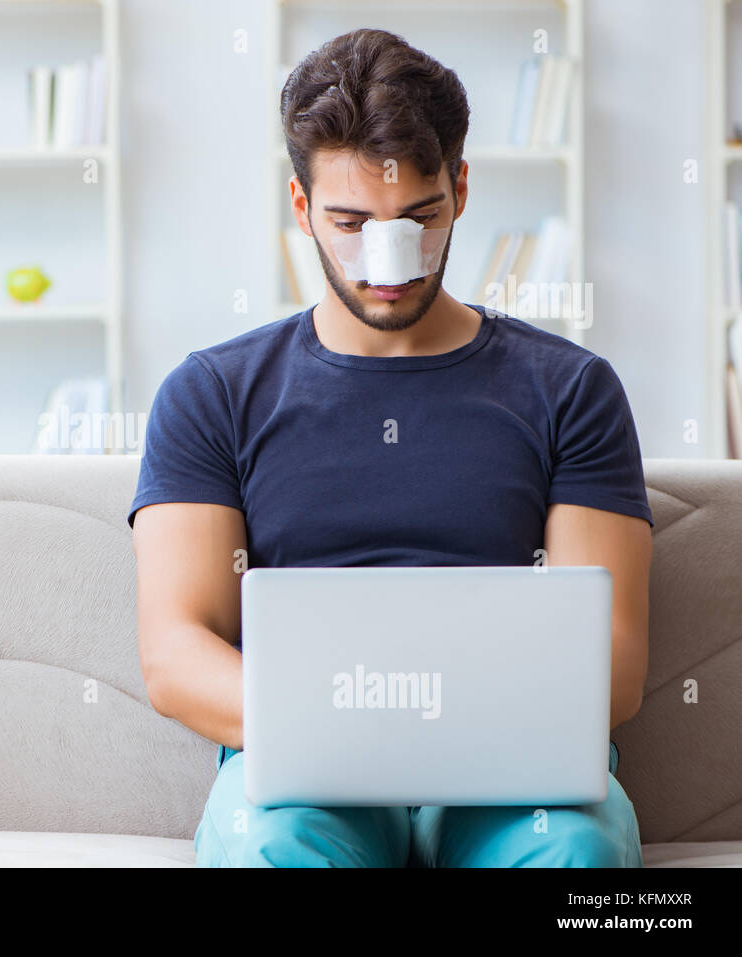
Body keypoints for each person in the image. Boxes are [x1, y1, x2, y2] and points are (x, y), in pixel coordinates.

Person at [128, 28, 652, 867]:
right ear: (300, 210)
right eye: (350, 222)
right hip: (302, 768)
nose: (389, 264)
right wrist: (355, 725)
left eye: (418, 218)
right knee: (274, 846)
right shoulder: (214, 394)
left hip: (512, 769)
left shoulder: (570, 390)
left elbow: (614, 668)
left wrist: (439, 727)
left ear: (462, 189)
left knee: (576, 852)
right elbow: (176, 653)